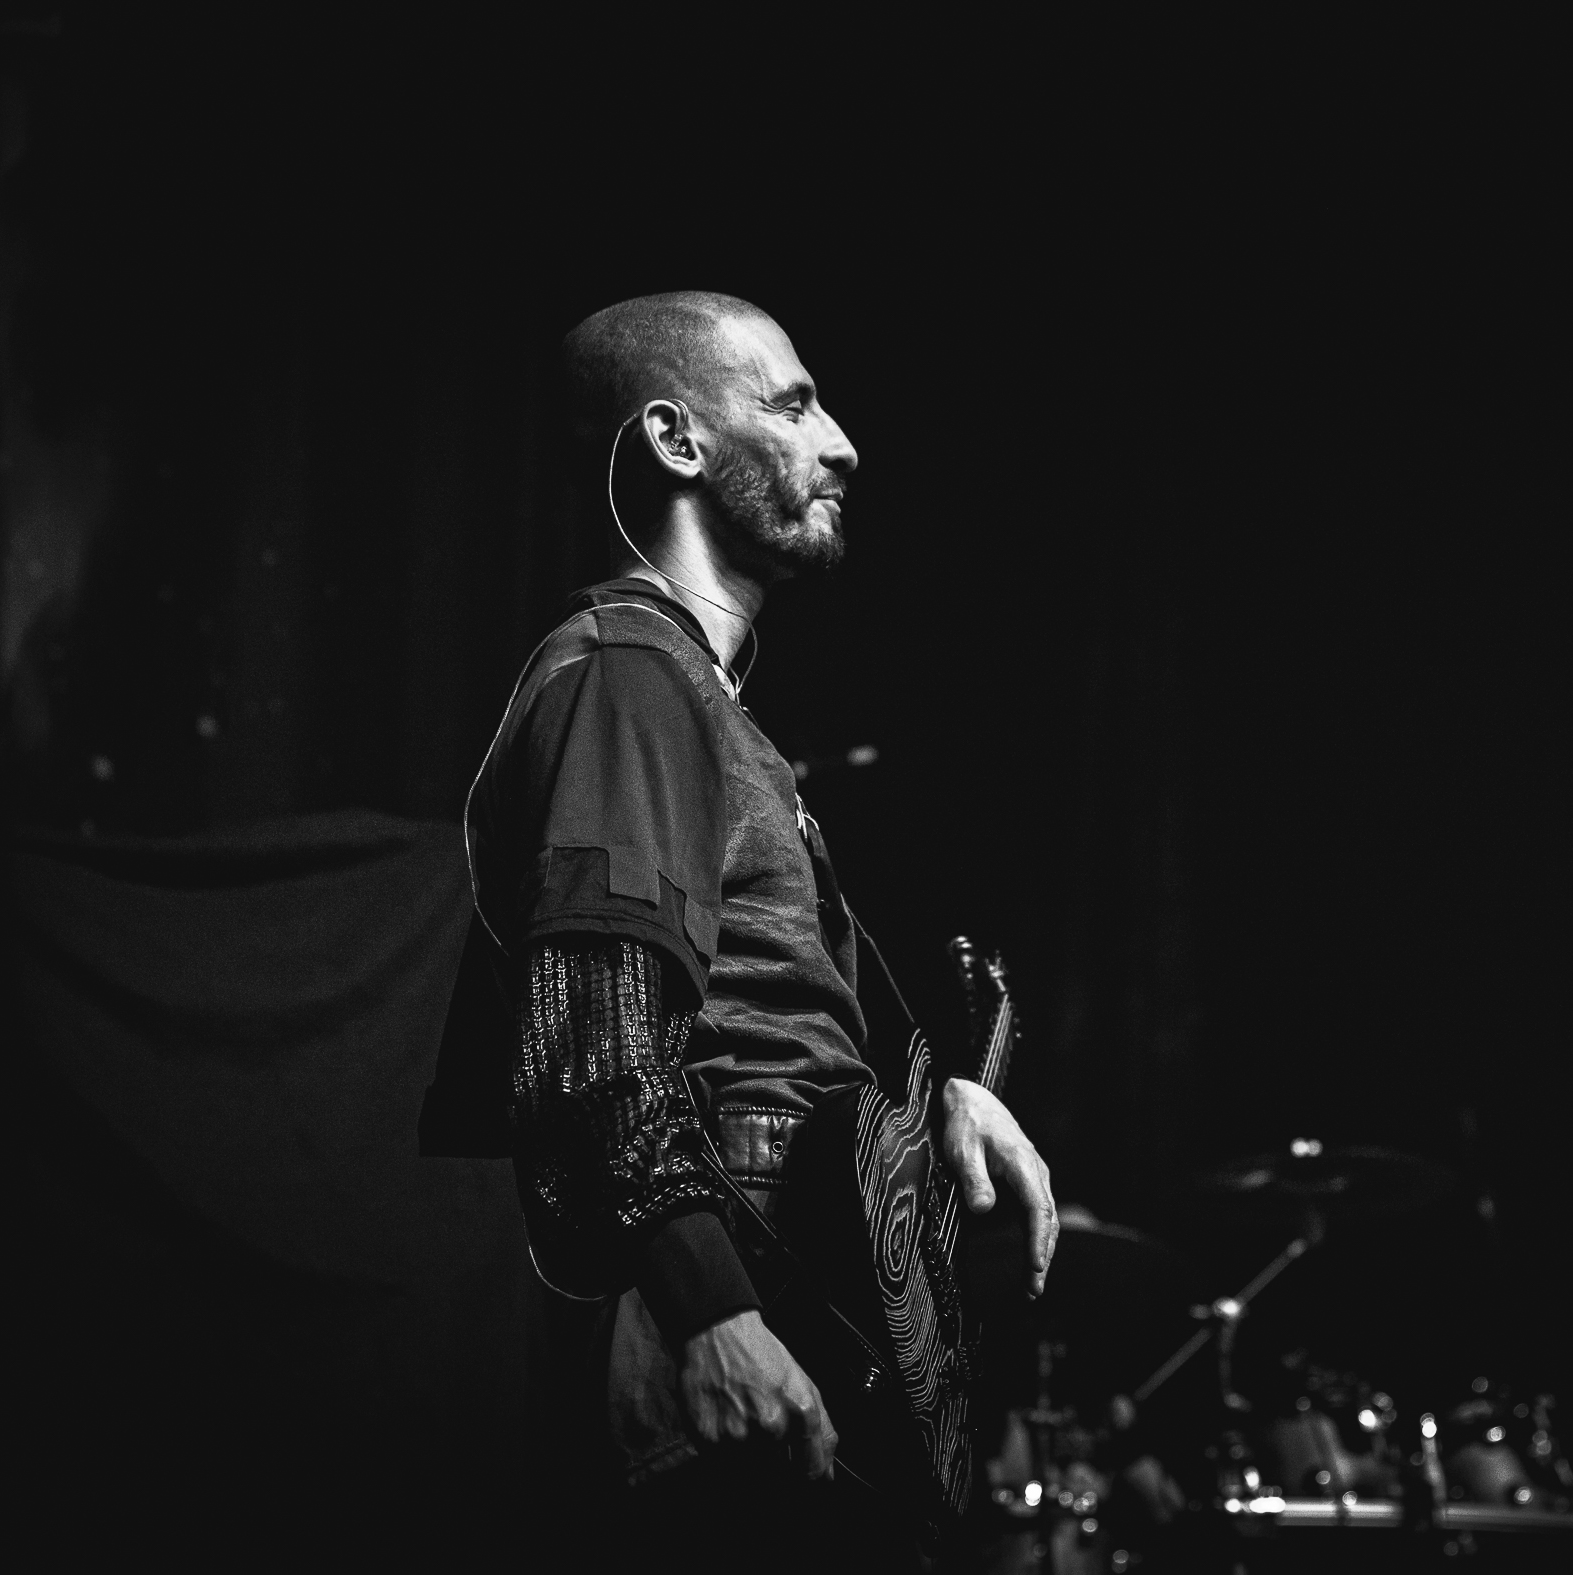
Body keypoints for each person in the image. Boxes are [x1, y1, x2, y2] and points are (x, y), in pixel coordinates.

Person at [426, 291, 1057, 1564]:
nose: (843, 444)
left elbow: (763, 1012)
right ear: (675, 440)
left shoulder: (702, 706)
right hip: (734, 1288)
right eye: (793, 405)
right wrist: (711, 1309)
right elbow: (592, 1037)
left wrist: (938, 1100)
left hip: (791, 1267)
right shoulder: (623, 673)